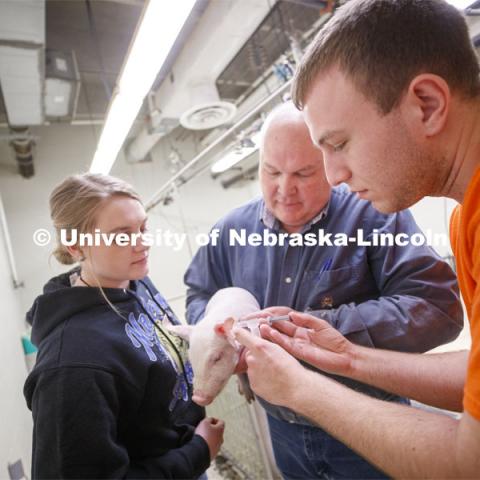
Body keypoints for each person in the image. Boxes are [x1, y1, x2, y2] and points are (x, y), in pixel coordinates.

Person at [233, 0, 480, 478]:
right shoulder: (464, 218)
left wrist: (301, 389)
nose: (335, 175)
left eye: (339, 144)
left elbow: (470, 464)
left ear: (426, 104)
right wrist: (349, 359)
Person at [184, 103, 463, 479]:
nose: (285, 190)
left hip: (370, 421)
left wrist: (313, 330)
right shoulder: (229, 231)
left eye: (303, 173)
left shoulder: (373, 213)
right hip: (282, 429)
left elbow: (436, 308)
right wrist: (219, 334)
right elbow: (198, 296)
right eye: (271, 172)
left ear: (331, 165)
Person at [24, 173, 224, 479]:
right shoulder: (73, 364)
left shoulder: (133, 281)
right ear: (76, 246)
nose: (142, 243)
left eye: (143, 228)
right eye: (122, 235)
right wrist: (199, 453)